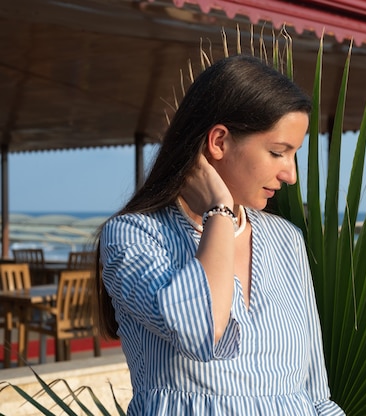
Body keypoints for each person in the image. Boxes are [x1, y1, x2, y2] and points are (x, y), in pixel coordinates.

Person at [95, 55, 345, 415]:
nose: (290, 174)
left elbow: (316, 394)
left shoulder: (286, 241)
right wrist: (219, 211)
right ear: (219, 141)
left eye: (294, 155)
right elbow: (202, 329)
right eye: (278, 152)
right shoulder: (135, 237)